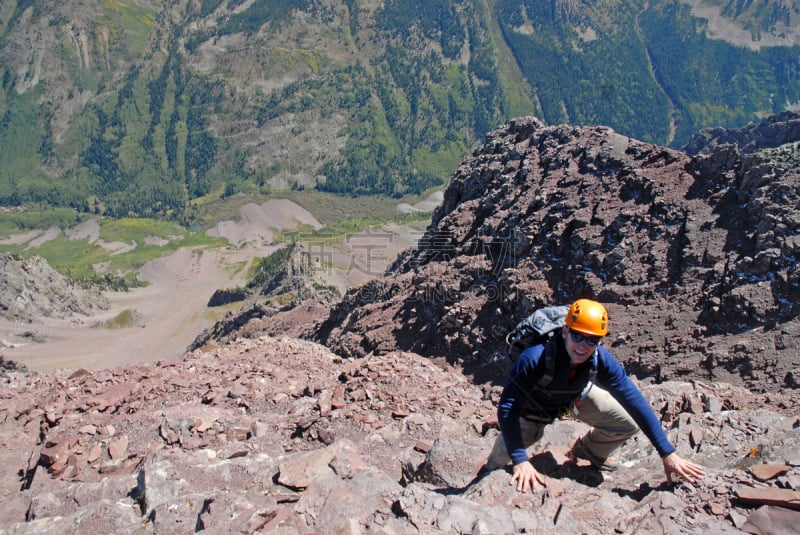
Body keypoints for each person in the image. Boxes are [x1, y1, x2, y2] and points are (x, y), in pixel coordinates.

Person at [485, 298, 705, 493]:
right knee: (499, 465)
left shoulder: (600, 358)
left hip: (572, 398)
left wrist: (667, 453)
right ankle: (487, 472)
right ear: (565, 331)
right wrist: (521, 460)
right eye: (578, 336)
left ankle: (587, 451)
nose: (583, 346)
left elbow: (632, 397)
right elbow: (508, 408)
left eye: (592, 340)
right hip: (531, 412)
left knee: (624, 423)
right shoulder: (534, 358)